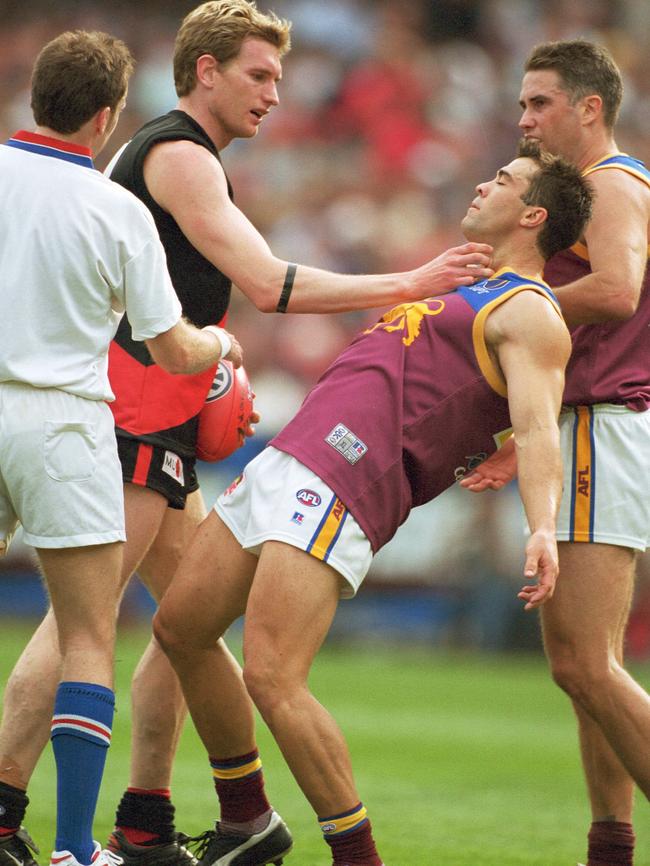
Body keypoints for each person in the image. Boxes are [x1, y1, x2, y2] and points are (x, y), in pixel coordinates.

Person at [0, 3, 497, 866]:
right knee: (82, 626)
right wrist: (413, 279)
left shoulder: (164, 149)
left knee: (187, 624)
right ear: (204, 72)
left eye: (278, 77)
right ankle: (7, 811)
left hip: (151, 413)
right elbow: (268, 284)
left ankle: (188, 820)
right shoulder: (181, 152)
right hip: (131, 410)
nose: (275, 93)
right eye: (258, 75)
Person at [152, 140, 594, 866]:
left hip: (345, 479)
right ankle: (246, 822)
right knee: (179, 629)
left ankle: (359, 858)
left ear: (533, 214)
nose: (484, 183)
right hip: (289, 458)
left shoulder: (532, 311)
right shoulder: (465, 284)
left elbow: (541, 426)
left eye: (504, 180)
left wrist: (541, 525)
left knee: (271, 673)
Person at [0, 29, 242, 866]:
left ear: (37, 95)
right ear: (105, 118)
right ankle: (72, 846)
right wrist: (222, 350)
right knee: (88, 634)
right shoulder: (117, 206)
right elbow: (173, 349)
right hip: (65, 420)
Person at [460, 40, 650, 866]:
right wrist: (516, 433)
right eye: (522, 103)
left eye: (539, 104)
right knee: (586, 668)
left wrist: (514, 305)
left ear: (589, 108)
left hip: (601, 429)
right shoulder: (603, 187)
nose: (524, 120)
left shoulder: (612, 184)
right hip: (589, 427)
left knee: (582, 664)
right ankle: (610, 844)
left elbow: (616, 289)